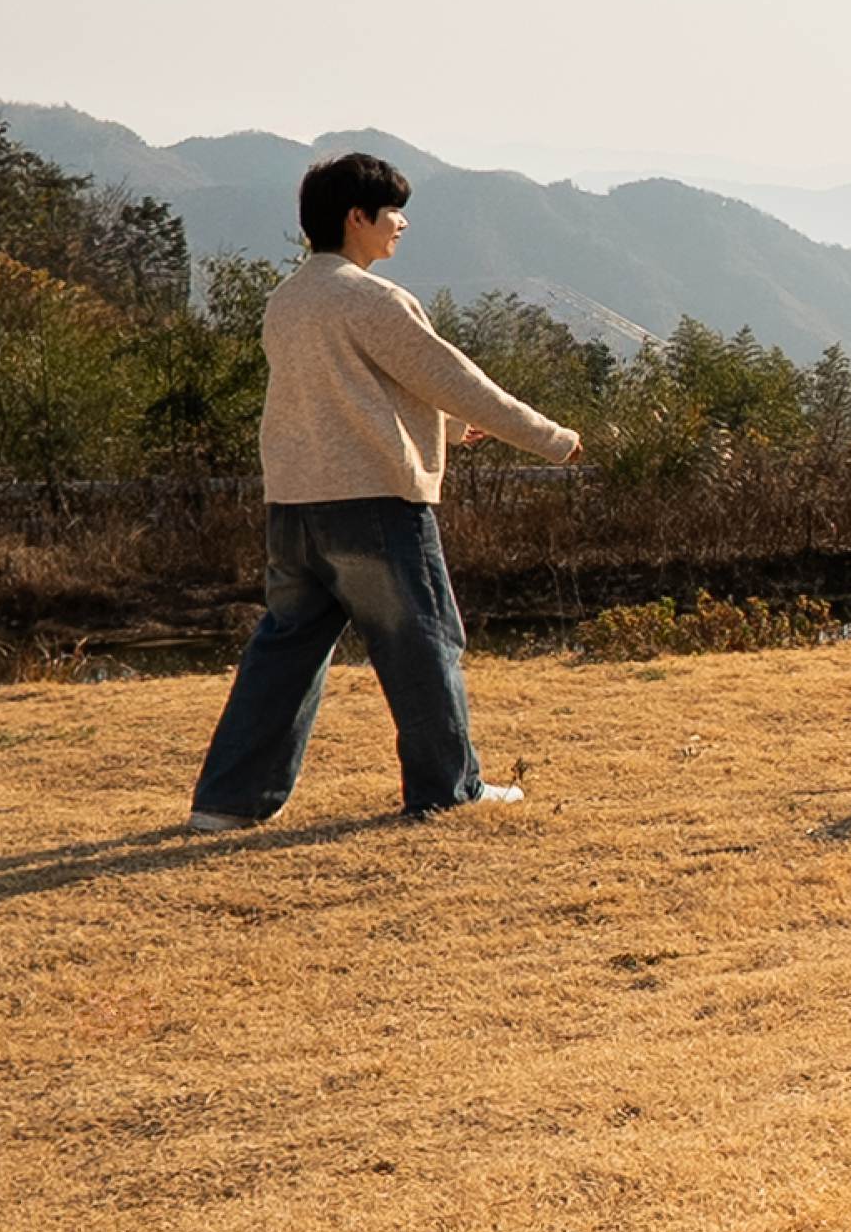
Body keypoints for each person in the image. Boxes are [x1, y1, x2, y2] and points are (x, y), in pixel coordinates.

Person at [186, 152, 582, 829]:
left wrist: (446, 429)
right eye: (393, 210)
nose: (402, 222)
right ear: (357, 217)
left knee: (284, 653)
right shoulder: (373, 300)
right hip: (373, 504)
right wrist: (552, 438)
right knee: (422, 643)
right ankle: (448, 789)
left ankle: (227, 803)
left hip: (294, 507)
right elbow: (453, 379)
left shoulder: (287, 301)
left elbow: (343, 391)